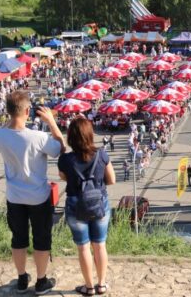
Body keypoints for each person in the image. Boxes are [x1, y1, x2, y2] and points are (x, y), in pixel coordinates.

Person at [0, 91, 64, 294]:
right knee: (41, 239)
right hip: (38, 196)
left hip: (14, 196)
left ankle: (22, 278)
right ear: (28, 111)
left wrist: (11, 119)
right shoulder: (38, 137)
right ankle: (41, 281)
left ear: (8, 111)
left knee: (18, 238)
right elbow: (60, 148)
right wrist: (51, 122)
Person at [57, 117, 115, 296]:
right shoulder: (101, 154)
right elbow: (112, 180)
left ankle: (89, 287)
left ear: (71, 137)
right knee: (100, 244)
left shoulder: (65, 160)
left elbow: (63, 177)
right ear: (90, 135)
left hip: (76, 203)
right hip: (99, 202)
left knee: (83, 247)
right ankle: (102, 284)